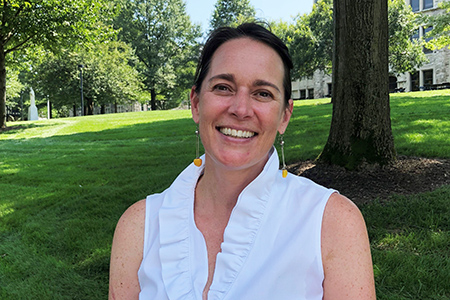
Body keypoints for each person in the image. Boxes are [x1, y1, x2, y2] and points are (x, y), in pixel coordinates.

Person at [109, 23, 376, 300]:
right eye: (223, 87)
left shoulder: (332, 222)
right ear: (196, 104)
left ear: (284, 116)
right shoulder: (138, 227)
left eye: (263, 93)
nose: (240, 109)